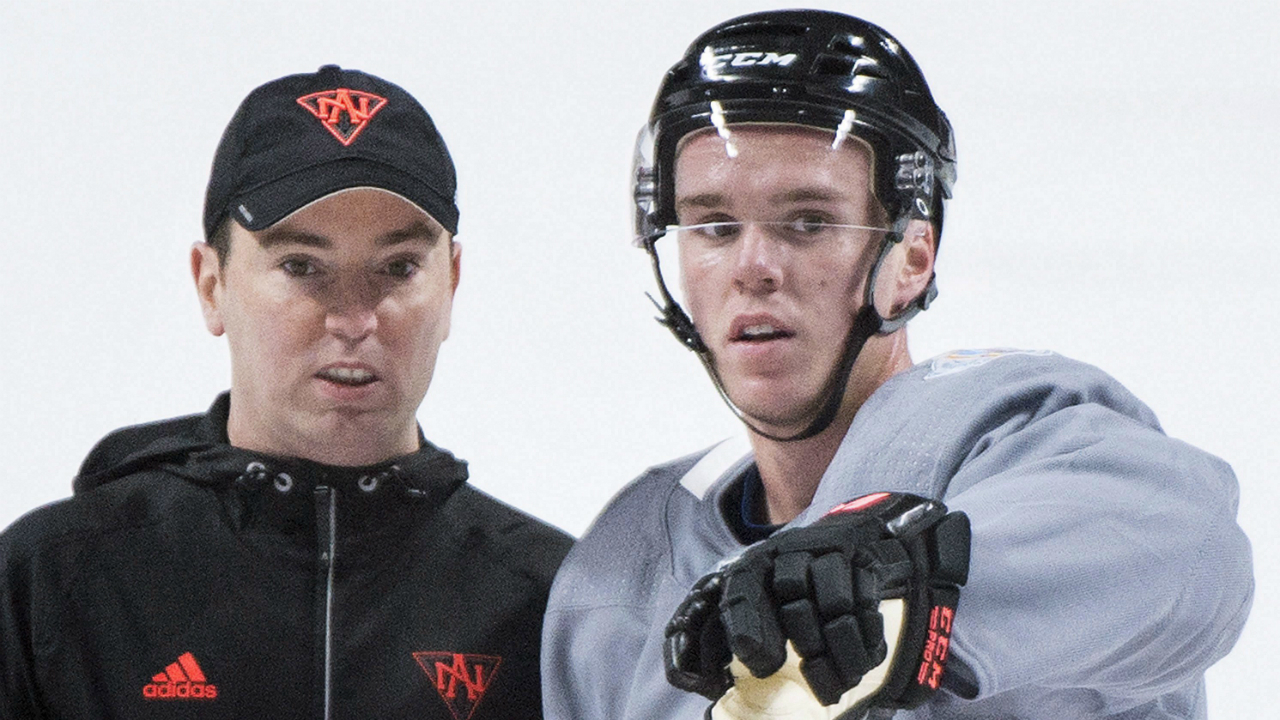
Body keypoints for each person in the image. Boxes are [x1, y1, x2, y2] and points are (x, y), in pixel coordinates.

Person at [542, 10, 1252, 720]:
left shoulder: (1008, 434)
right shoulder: (626, 565)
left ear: (913, 258)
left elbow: (1190, 552)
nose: (753, 267)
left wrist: (911, 588)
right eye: (715, 227)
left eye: (808, 222)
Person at [0, 65, 572, 719]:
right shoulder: (51, 586)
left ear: (452, 285)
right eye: (301, 266)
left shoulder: (560, 606)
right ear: (211, 284)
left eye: (398, 268)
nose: (355, 319)